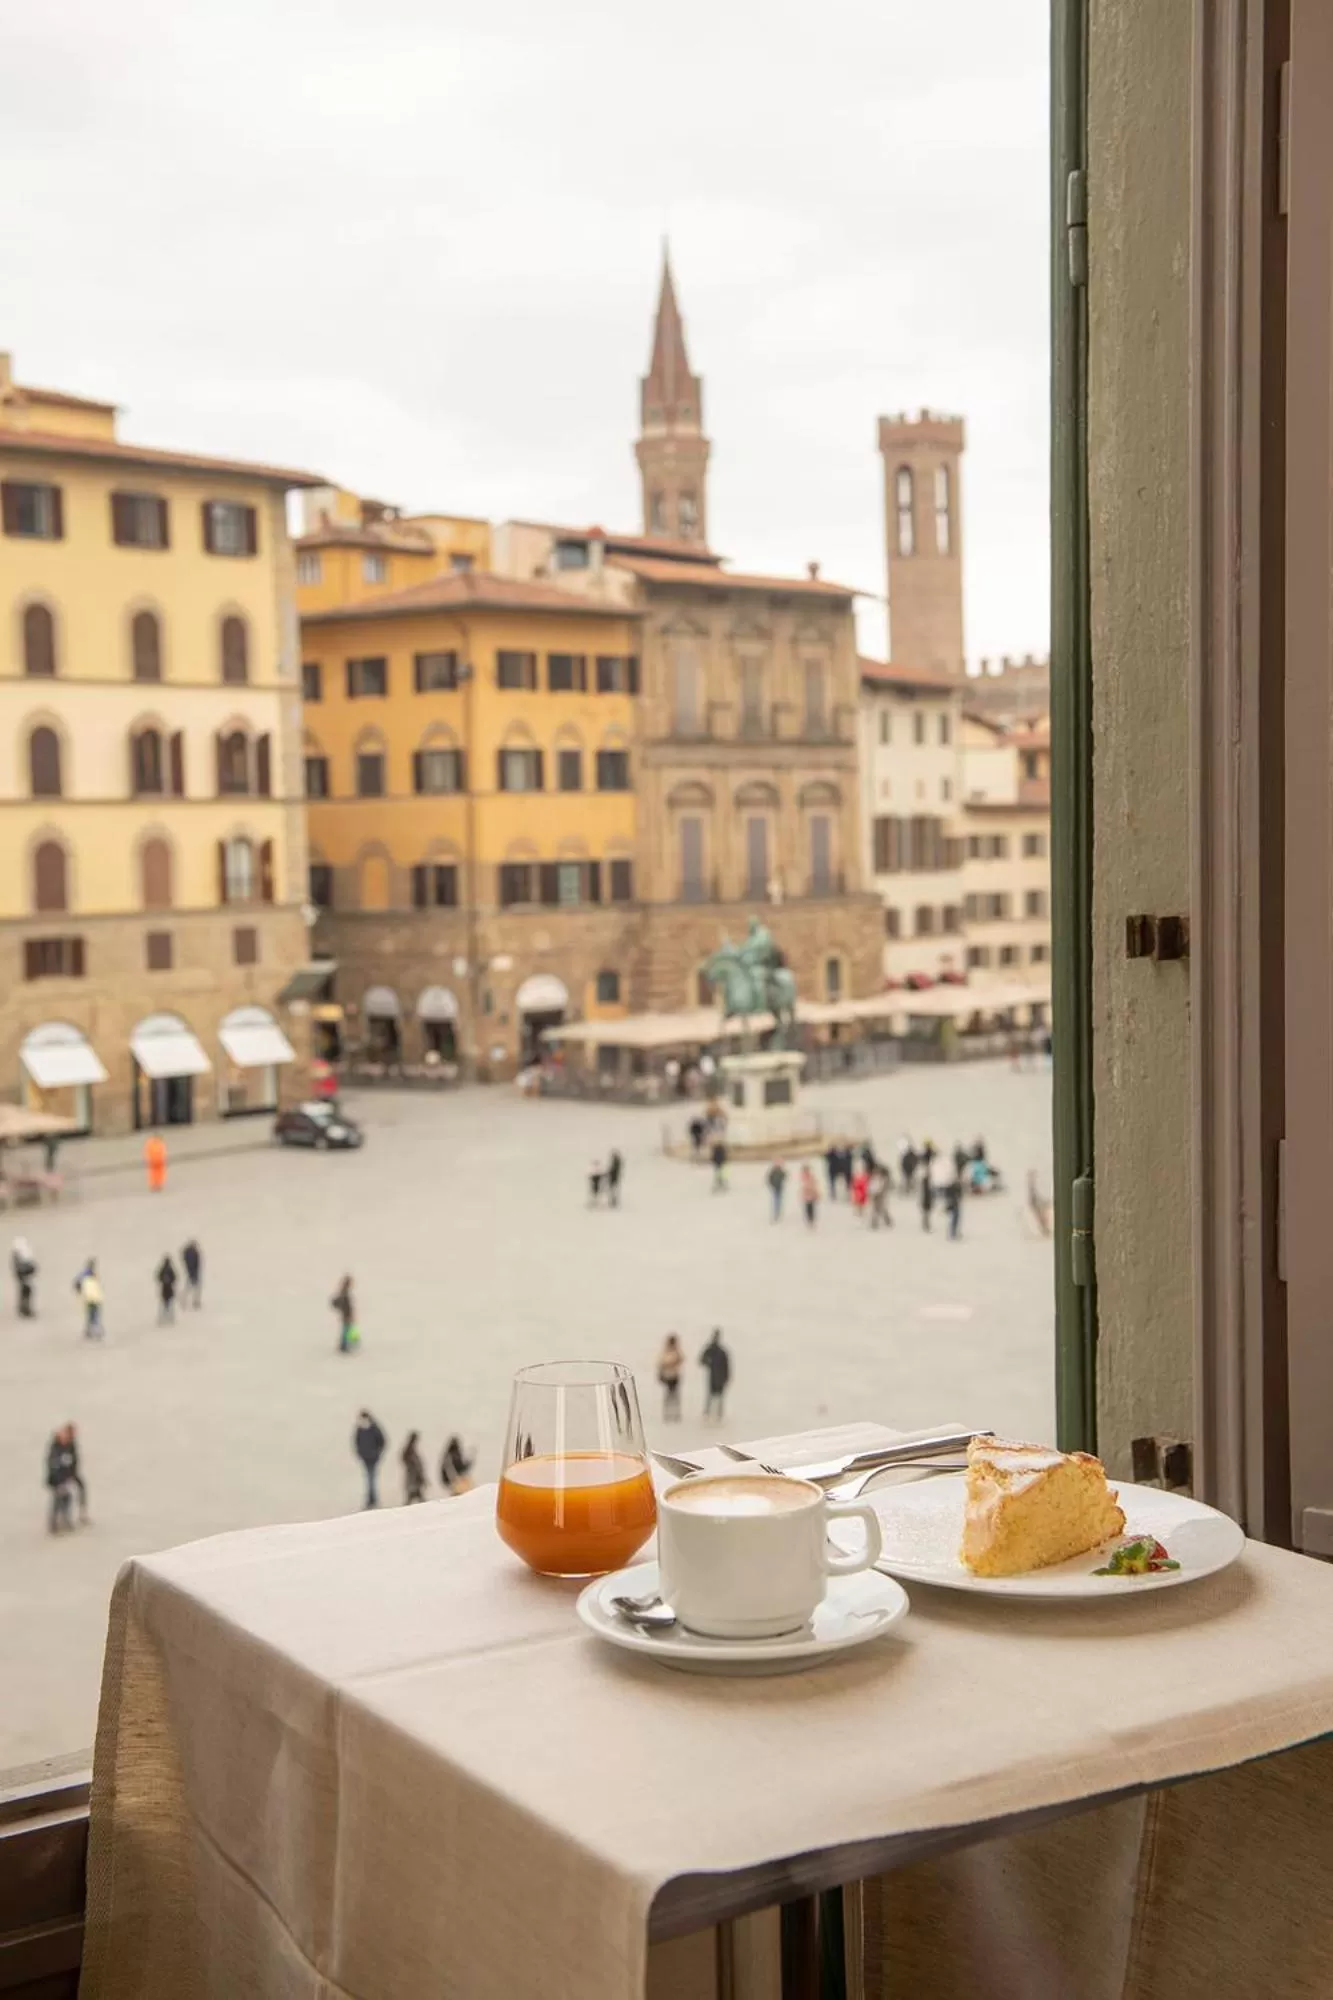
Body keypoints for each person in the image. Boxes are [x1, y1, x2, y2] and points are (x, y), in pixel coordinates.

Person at [45, 1426, 79, 1534]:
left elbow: (74, 1461)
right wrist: (59, 1482)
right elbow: (53, 1466)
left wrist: (71, 1476)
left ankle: (65, 1519)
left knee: (68, 1498)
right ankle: (53, 1524)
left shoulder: (70, 1446)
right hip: (56, 1480)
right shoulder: (55, 1449)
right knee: (57, 1501)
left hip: (66, 1478)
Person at [353, 1411, 386, 1509]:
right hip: (366, 1459)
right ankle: (371, 1499)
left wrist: (377, 1453)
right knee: (369, 1479)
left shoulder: (374, 1429)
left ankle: (372, 1500)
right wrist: (361, 1454)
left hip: (373, 1458)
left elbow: (382, 1441)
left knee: (371, 1479)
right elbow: (356, 1443)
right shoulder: (360, 1430)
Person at [699, 1329, 732, 1422]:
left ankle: (713, 1414)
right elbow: (701, 1360)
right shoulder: (718, 1351)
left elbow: (701, 1360)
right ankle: (714, 1414)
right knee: (714, 1396)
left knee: (713, 1396)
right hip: (717, 1376)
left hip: (717, 1376)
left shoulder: (715, 1350)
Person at [657, 1333, 684, 1421]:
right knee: (670, 1396)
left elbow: (681, 1360)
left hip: (674, 1377)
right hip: (669, 1377)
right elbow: (662, 1363)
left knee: (674, 1396)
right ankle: (669, 1414)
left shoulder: (674, 1351)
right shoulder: (667, 1351)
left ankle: (674, 1414)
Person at [75, 1260, 103, 1340]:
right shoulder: (87, 1274)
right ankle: (95, 1331)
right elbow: (77, 1282)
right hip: (92, 1298)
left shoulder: (87, 1274)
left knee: (92, 1315)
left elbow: (77, 1282)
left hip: (91, 1298)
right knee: (94, 1315)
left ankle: (89, 1331)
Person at [331, 1274, 357, 1353]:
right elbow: (345, 1305)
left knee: (346, 1330)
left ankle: (344, 1345)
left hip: (346, 1315)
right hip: (346, 1316)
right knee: (346, 1331)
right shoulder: (344, 1293)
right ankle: (343, 1346)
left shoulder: (344, 1292)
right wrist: (349, 1315)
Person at [12, 1236, 36, 1318]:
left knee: (25, 1292)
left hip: (24, 1277)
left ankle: (23, 1309)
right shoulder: (21, 1257)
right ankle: (25, 1310)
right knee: (26, 1292)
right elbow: (30, 1267)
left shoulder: (17, 1257)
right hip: (25, 1277)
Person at [401, 1431, 428, 1504]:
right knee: (415, 1495)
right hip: (413, 1477)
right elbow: (415, 1465)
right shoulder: (410, 1450)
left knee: (415, 1496)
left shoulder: (411, 1449)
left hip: (414, 1477)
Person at [155, 1253, 178, 1326]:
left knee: (165, 1304)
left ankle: (165, 1318)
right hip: (168, 1289)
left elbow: (158, 1277)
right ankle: (168, 1318)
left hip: (165, 1289)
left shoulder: (163, 1269)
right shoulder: (169, 1269)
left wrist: (165, 1280)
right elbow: (175, 1278)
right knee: (168, 1304)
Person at [181, 1239, 203, 1309]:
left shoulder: (190, 1252)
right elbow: (192, 1264)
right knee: (192, 1288)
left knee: (192, 1287)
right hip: (192, 1272)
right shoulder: (191, 1253)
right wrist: (192, 1272)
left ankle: (188, 1301)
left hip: (193, 1272)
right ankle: (191, 1301)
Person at [870, 1166, 893, 1230]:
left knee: (882, 1210)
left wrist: (880, 1193)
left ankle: (887, 1221)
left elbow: (884, 1189)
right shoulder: (874, 1179)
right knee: (875, 1210)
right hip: (875, 1197)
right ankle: (874, 1223)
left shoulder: (884, 1180)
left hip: (881, 1197)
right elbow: (871, 1187)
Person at [800, 1162, 819, 1228]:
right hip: (806, 1196)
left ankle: (811, 1220)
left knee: (812, 1208)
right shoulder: (802, 1177)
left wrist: (816, 1193)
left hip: (812, 1195)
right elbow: (802, 1187)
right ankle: (810, 1220)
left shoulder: (811, 1176)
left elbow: (815, 1186)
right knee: (808, 1208)